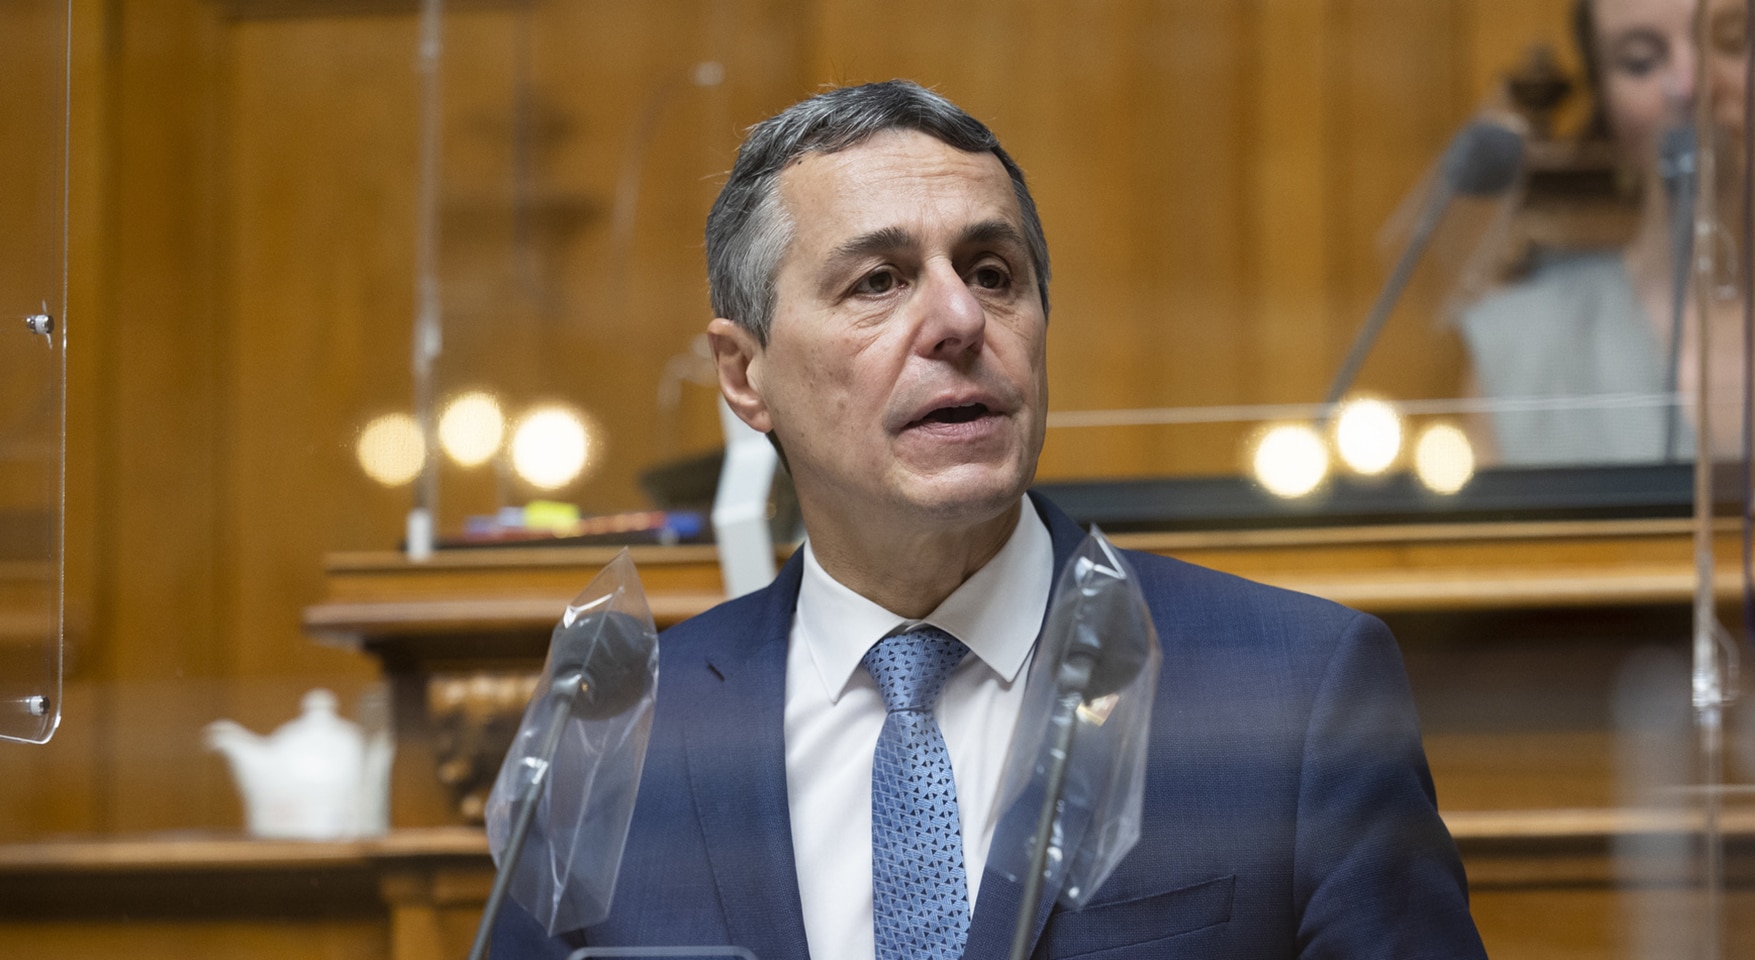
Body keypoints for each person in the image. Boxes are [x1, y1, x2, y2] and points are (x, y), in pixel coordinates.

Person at [495, 80, 1486, 960]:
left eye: (993, 272)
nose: (961, 321)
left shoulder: (1293, 695)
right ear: (744, 373)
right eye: (877, 281)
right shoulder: (618, 734)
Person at [1459, 0, 1755, 471]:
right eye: (1640, 60)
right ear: (1605, 103)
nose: (1690, 85)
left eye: (1735, 42)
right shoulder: (1520, 350)